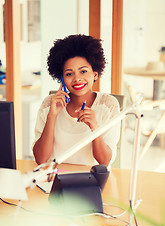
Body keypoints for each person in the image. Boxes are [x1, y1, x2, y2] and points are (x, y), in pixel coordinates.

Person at [33, 34, 120, 167]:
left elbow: (104, 161)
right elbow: (41, 160)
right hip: (54, 180)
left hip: (91, 181)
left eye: (83, 71)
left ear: (95, 74)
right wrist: (52, 116)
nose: (77, 78)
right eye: (69, 73)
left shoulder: (108, 105)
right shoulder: (49, 104)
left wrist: (94, 127)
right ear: (61, 78)